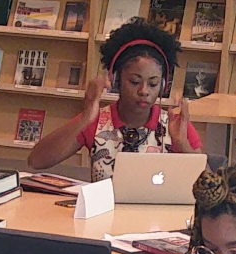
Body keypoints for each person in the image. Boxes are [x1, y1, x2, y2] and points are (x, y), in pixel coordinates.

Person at [28, 20, 202, 181]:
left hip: (158, 214)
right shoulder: (97, 120)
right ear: (116, 78)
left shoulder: (174, 125)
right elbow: (36, 161)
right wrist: (86, 117)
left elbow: (211, 187)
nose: (144, 91)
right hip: (105, 214)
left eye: (153, 83)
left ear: (163, 85)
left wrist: (182, 144)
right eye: (134, 81)